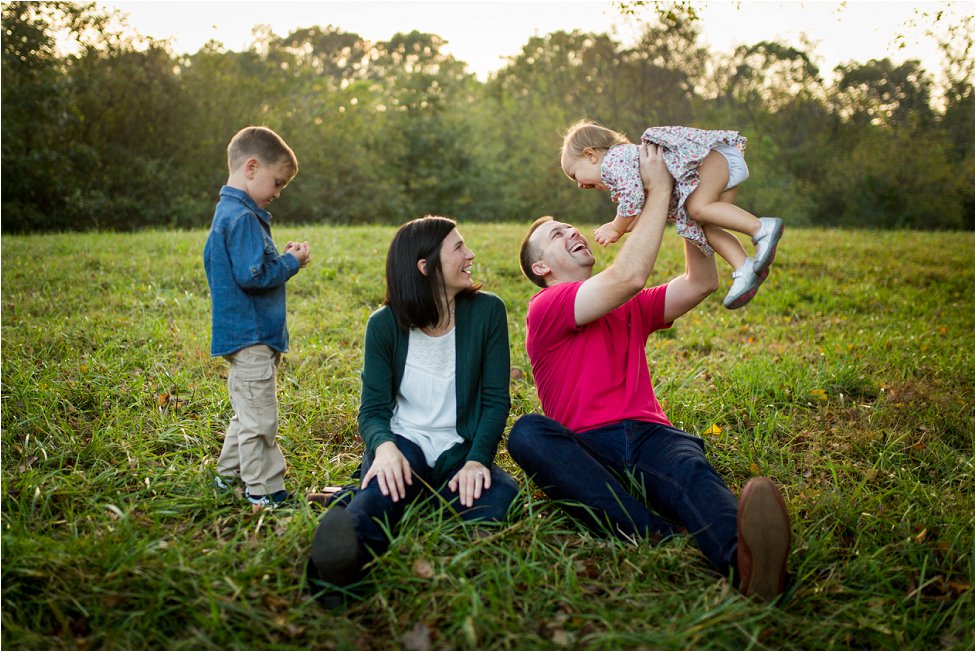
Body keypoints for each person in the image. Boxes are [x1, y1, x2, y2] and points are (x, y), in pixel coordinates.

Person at [511, 142, 792, 601]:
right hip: (587, 448)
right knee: (528, 433)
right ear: (541, 266)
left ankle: (748, 566)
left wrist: (685, 200)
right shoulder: (546, 307)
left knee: (691, 472)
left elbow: (701, 282)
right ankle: (649, 531)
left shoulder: (629, 307)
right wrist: (658, 191)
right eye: (558, 234)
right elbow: (627, 276)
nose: (573, 231)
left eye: (570, 226)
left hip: (651, 437)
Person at [307, 216, 519, 607]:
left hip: (457, 450)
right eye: (458, 247)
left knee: (500, 496)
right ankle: (336, 573)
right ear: (425, 266)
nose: (470, 254)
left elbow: (495, 401)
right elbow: (372, 410)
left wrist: (477, 461)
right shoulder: (384, 325)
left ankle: (364, 497)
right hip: (405, 444)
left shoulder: (488, 312)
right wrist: (385, 449)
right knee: (383, 490)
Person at [560, 119, 784, 309]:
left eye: (574, 174)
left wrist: (615, 227)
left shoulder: (614, 161)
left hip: (706, 161)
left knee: (698, 208)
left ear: (590, 155)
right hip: (712, 165)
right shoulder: (626, 168)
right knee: (707, 227)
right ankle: (745, 268)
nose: (579, 185)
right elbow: (643, 212)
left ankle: (761, 228)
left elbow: (632, 199)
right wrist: (625, 227)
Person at [204, 126, 311, 511]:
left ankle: (228, 476)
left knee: (247, 413)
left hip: (244, 334)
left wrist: (280, 258)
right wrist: (290, 262)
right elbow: (254, 276)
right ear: (251, 167)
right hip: (252, 335)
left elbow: (247, 268)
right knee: (260, 420)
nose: (278, 193)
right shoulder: (243, 218)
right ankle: (263, 491)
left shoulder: (229, 213)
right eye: (277, 182)